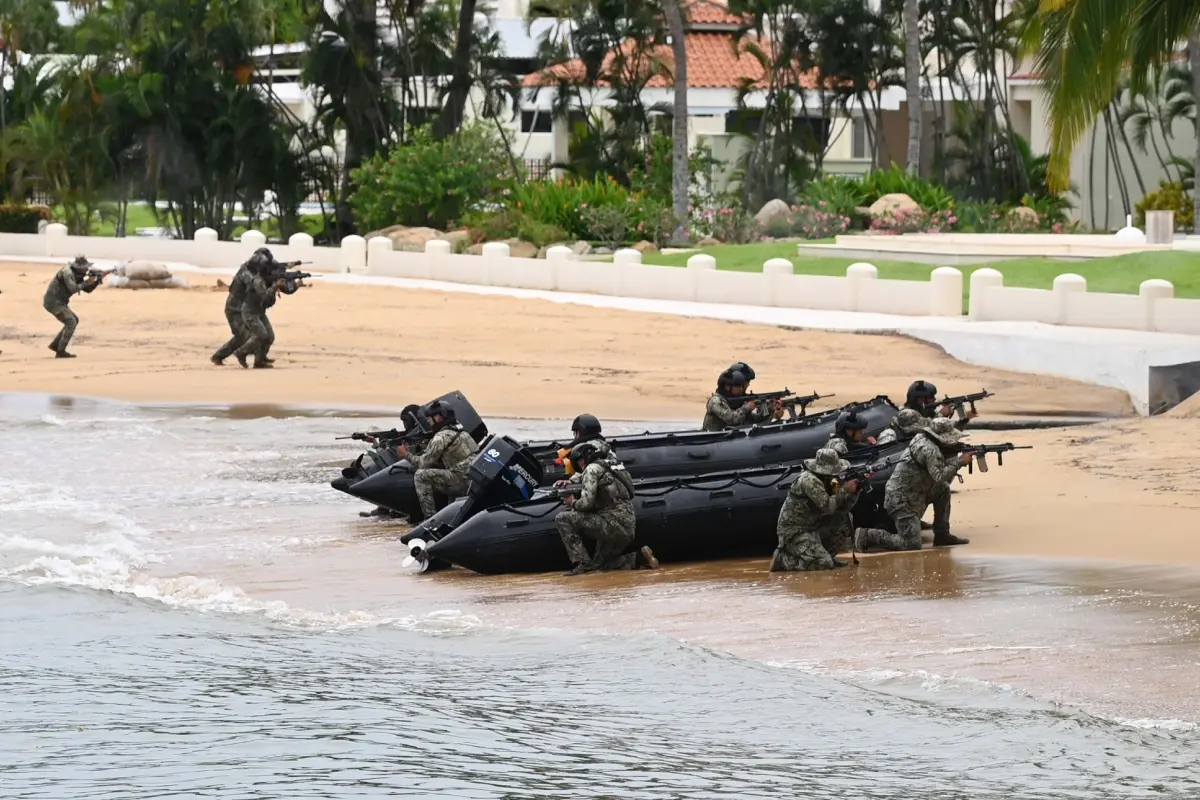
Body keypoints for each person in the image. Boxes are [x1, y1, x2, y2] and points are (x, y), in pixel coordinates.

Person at [855, 417, 973, 553]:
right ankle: (866, 535)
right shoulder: (929, 450)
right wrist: (959, 462)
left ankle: (942, 535)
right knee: (911, 544)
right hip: (901, 500)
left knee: (943, 490)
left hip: (915, 492)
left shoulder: (923, 438)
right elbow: (939, 476)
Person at [554, 439, 658, 575]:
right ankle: (639, 558)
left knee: (563, 518)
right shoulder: (613, 465)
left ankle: (582, 563)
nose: (580, 465)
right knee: (600, 566)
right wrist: (572, 481)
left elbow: (586, 504)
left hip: (611, 523)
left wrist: (571, 502)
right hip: (628, 526)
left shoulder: (591, 469)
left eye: (580, 461)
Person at [770, 448, 861, 571]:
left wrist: (855, 492)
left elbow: (842, 508)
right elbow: (829, 507)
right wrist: (844, 489)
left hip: (812, 526)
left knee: (844, 517)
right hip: (795, 531)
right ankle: (785, 561)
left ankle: (829, 554)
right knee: (824, 563)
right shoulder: (809, 481)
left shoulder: (828, 480)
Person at [398, 400, 480, 520]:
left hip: (459, 481)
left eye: (431, 418)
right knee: (448, 473)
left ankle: (430, 519)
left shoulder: (440, 437)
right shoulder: (462, 433)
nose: (429, 421)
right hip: (472, 481)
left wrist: (405, 454)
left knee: (421, 476)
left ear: (438, 417)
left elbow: (422, 463)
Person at [43, 255, 102, 358]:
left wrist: (96, 281)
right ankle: (60, 351)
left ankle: (56, 345)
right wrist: (87, 281)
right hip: (53, 302)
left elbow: (88, 290)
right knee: (71, 322)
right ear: (79, 268)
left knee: (74, 320)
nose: (87, 270)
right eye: (85, 268)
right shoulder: (67, 273)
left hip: (59, 302)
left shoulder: (77, 274)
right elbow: (73, 288)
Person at [232, 249, 282, 369]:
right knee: (261, 335)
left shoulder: (264, 279)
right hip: (250, 313)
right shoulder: (257, 280)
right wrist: (275, 286)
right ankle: (241, 352)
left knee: (270, 336)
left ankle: (260, 360)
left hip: (259, 312)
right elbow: (264, 295)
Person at [211, 254, 257, 365]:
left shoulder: (249, 271)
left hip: (241, 309)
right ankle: (222, 356)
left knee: (243, 335)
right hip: (233, 310)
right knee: (244, 336)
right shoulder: (245, 273)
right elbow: (254, 284)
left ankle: (219, 356)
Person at [701, 369, 783, 431]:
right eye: (738, 386)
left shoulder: (734, 402)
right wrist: (745, 408)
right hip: (711, 438)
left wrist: (769, 409)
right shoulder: (716, 401)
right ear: (727, 386)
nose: (741, 389)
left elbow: (755, 420)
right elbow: (731, 419)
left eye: (742, 386)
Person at [906, 380, 976, 431]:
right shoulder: (907, 414)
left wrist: (964, 420)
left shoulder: (928, 413)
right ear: (920, 399)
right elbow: (926, 431)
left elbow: (950, 432)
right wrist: (941, 415)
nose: (934, 399)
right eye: (931, 397)